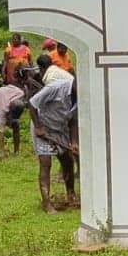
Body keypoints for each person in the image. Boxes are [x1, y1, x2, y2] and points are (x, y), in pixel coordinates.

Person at [29, 72, 78, 213]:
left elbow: (73, 119)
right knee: (46, 162)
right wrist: (38, 127)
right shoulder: (56, 88)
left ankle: (71, 195)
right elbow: (32, 103)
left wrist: (74, 142)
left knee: (68, 161)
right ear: (75, 83)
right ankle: (46, 203)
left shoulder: (82, 96)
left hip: (61, 128)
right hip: (43, 126)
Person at [0, 81, 28, 157]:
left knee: (16, 125)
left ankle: (16, 152)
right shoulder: (3, 108)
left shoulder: (21, 94)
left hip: (4, 97)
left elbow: (11, 86)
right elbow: (1, 130)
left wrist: (12, 119)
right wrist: (2, 151)